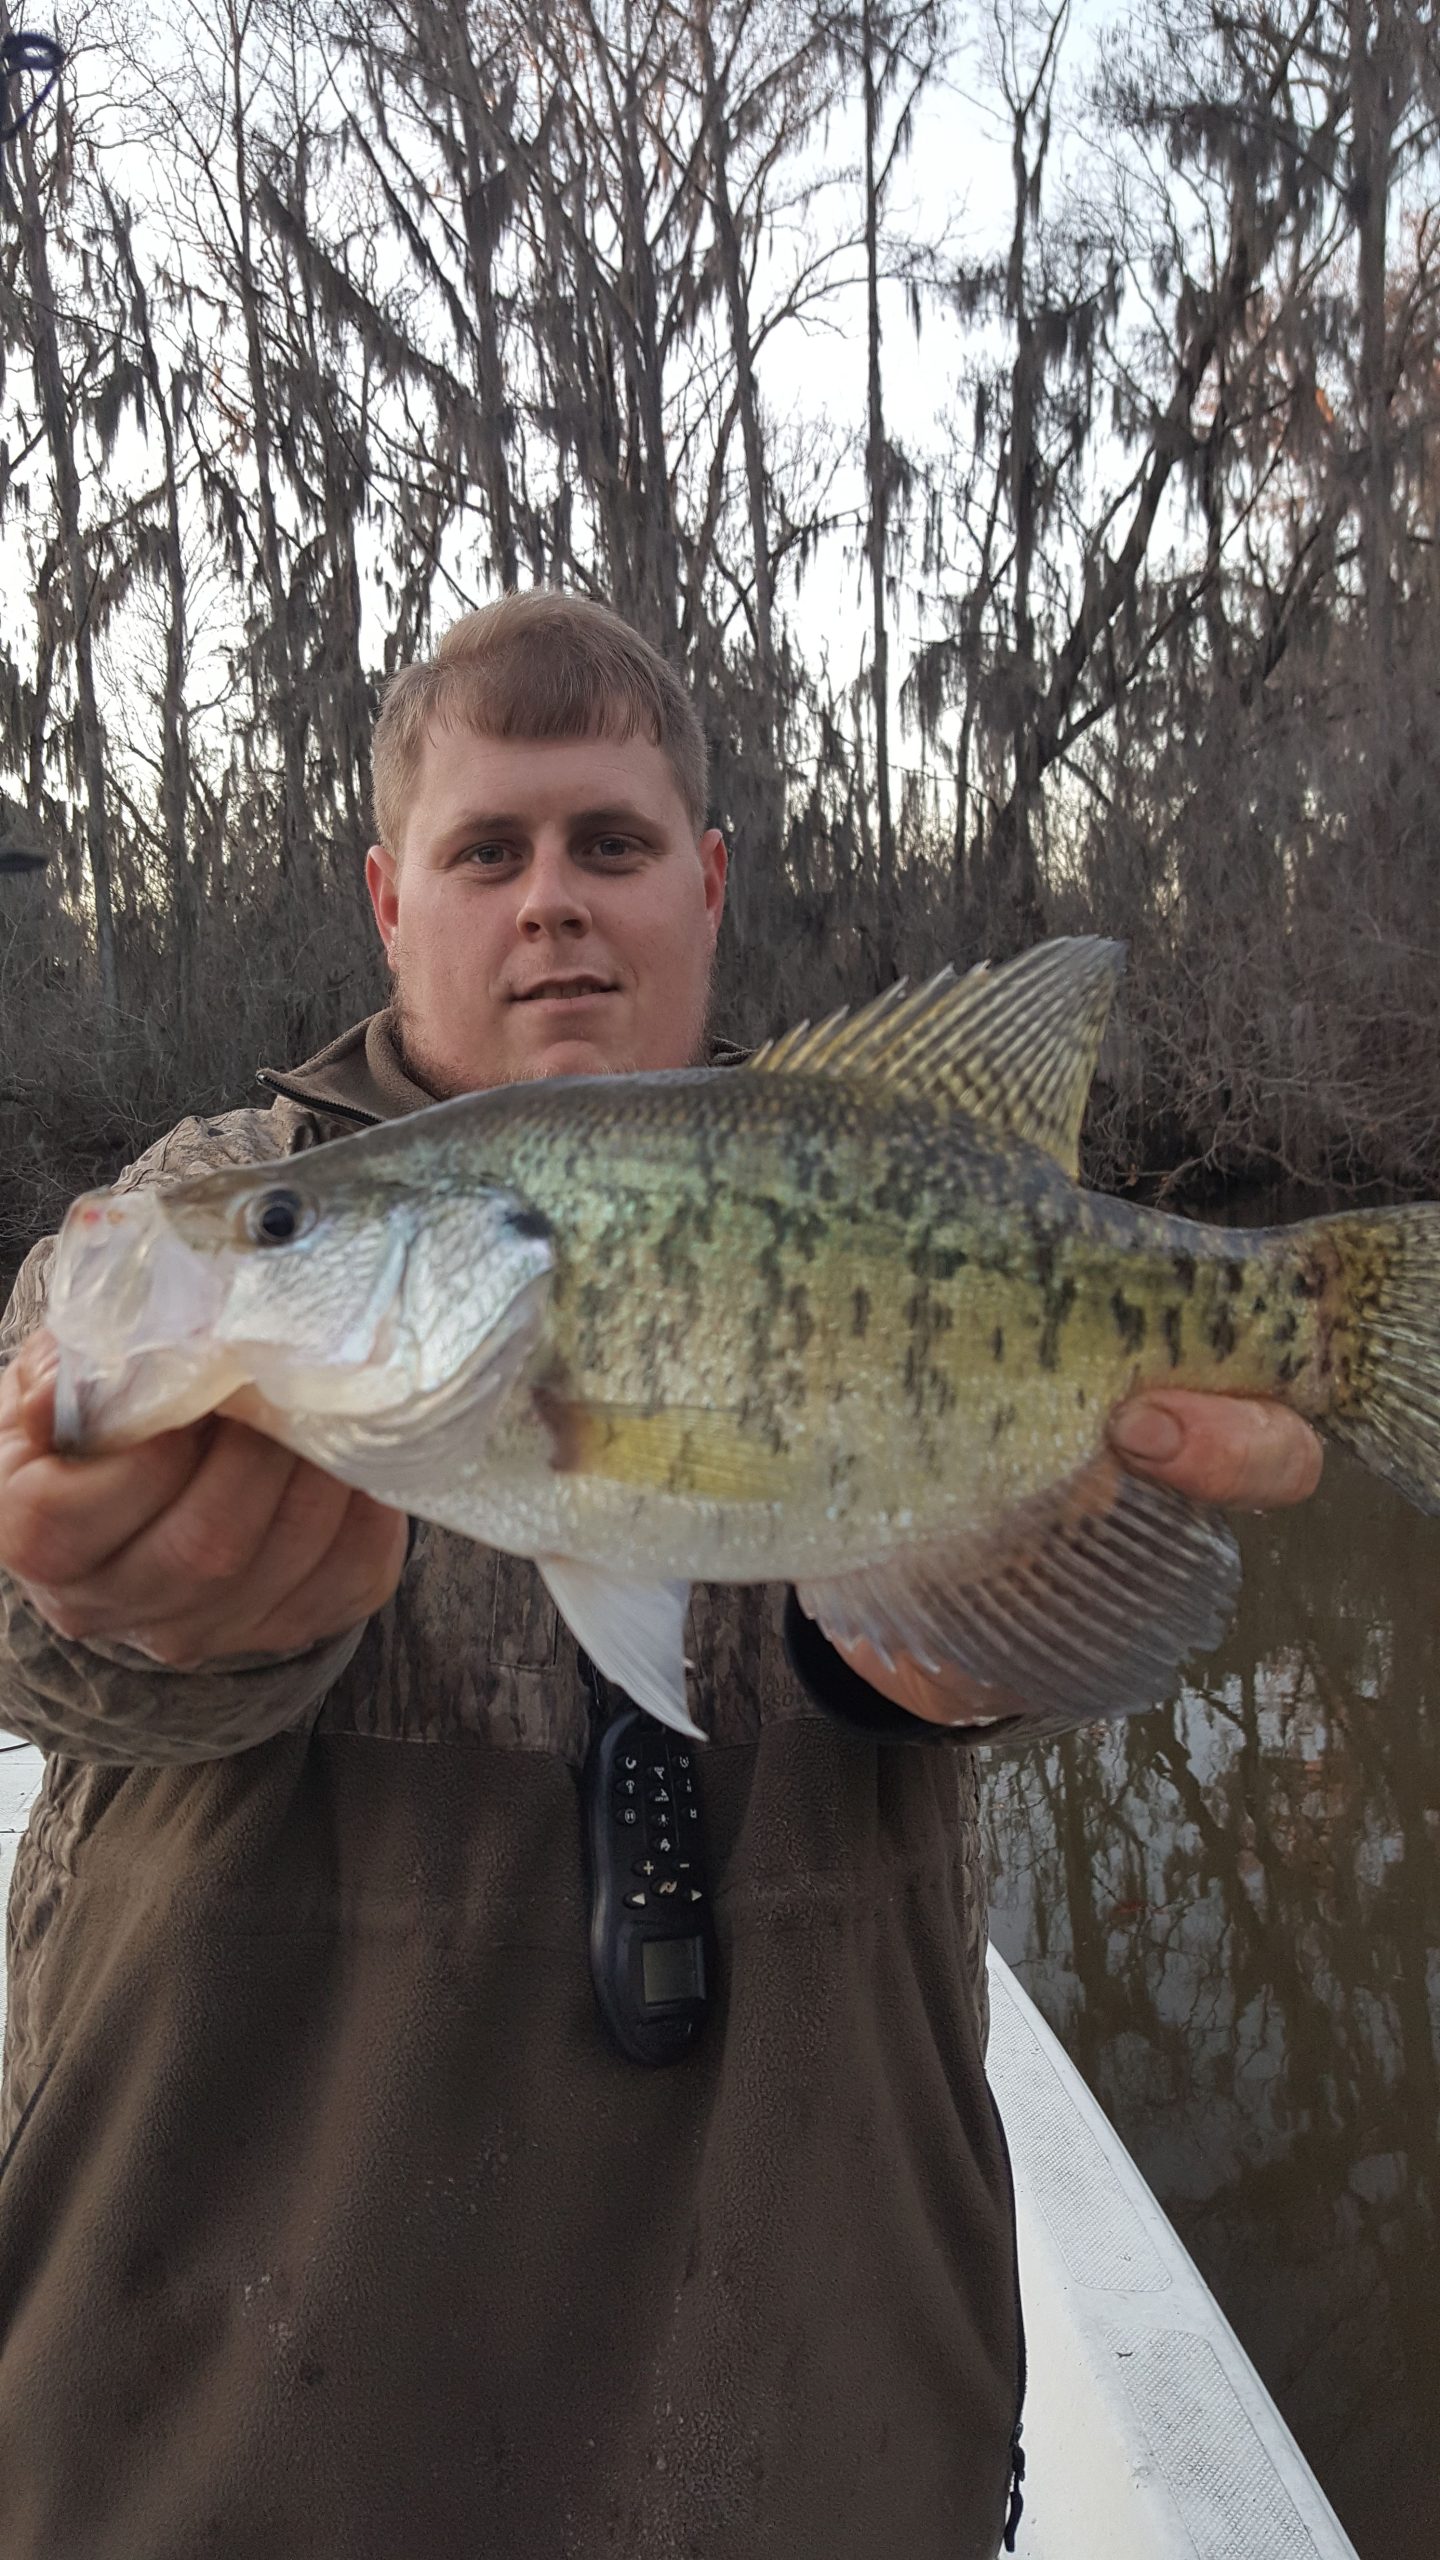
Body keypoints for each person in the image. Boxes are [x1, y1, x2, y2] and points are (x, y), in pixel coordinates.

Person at [0, 594, 1321, 2560]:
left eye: (611, 843)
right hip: (236, 2424)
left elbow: (909, 1629)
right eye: (487, 848)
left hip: (803, 2419)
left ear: (707, 882)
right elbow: (42, 1563)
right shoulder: (205, 1194)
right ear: (387, 895)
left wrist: (956, 1635)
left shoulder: (850, 1156)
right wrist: (107, 1597)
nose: (551, 902)